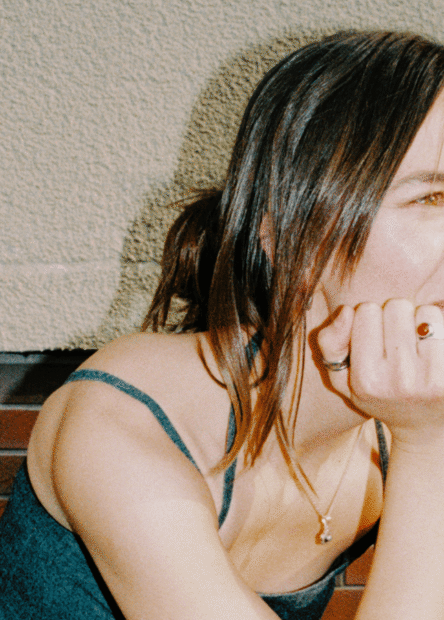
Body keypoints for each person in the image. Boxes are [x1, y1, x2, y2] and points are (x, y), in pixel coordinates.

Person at [2, 29, 444, 620]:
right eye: (433, 199)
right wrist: (429, 448)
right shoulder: (128, 420)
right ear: (292, 239)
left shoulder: (411, 415)